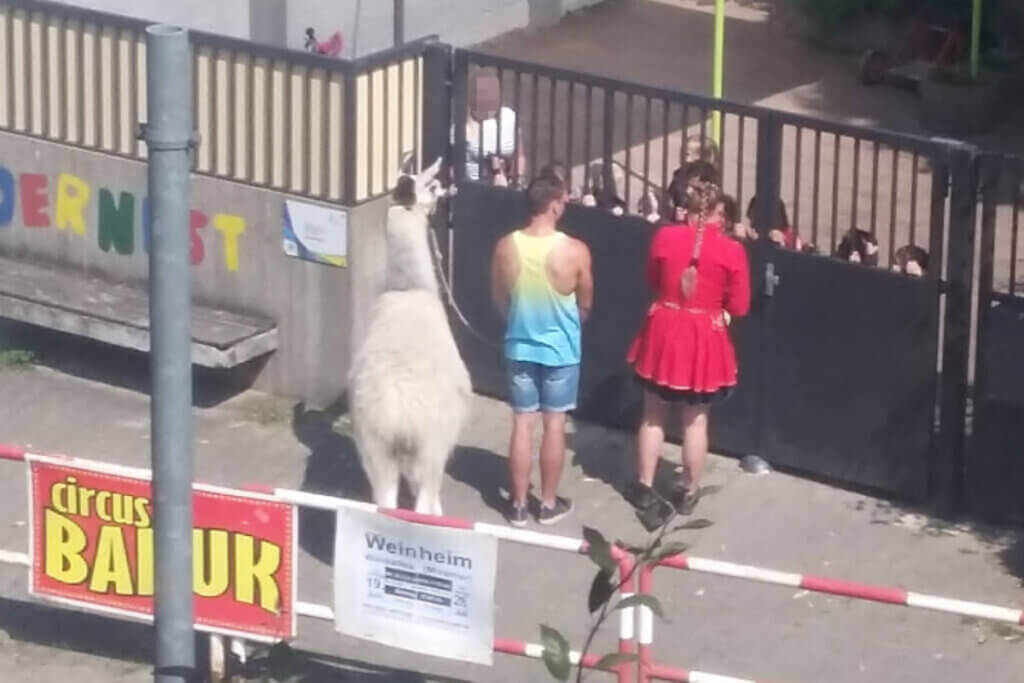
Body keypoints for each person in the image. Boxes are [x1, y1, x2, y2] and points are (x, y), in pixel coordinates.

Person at [625, 178, 750, 523]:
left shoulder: (665, 237)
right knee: (696, 420)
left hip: (664, 328)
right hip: (704, 336)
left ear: (689, 209)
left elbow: (652, 279)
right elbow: (739, 306)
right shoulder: (732, 251)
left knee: (653, 414)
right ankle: (689, 492)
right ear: (716, 215)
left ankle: (645, 485)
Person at [490, 174, 594, 527]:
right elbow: (586, 301)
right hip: (560, 351)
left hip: (519, 346)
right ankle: (548, 503)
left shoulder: (506, 246)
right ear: (554, 205)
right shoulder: (575, 251)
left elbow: (499, 296)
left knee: (522, 422)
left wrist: (516, 324)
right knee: (554, 424)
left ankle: (517, 504)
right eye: (563, 201)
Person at [463, 68, 526, 184]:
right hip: (474, 186)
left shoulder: (509, 117)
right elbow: (453, 165)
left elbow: (519, 155)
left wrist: (518, 179)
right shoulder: (463, 124)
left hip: (507, 184)